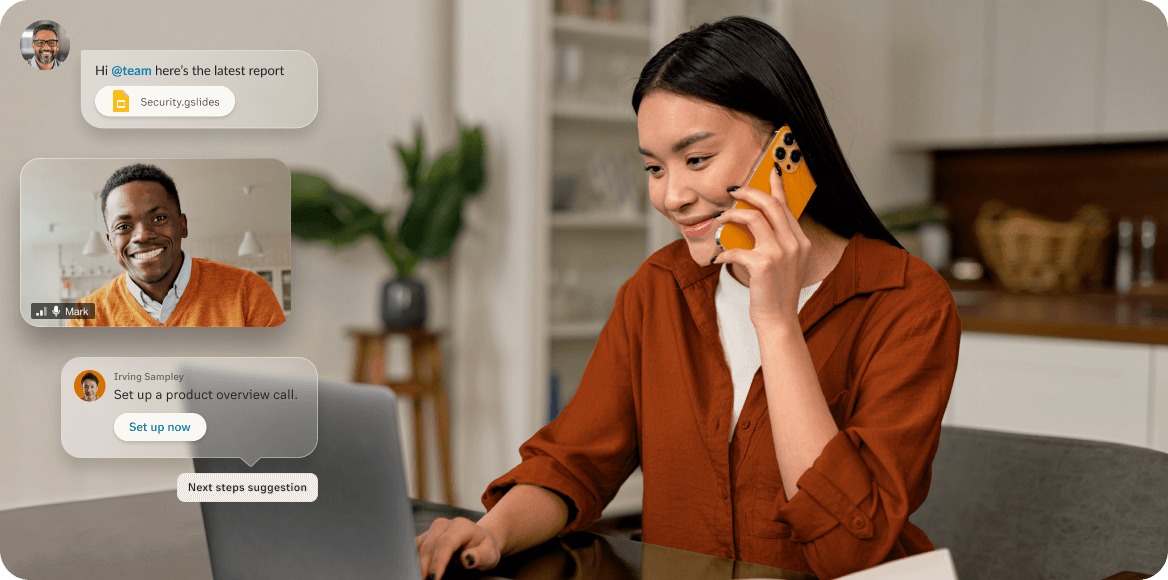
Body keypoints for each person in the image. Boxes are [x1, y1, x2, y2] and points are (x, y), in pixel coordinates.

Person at [416, 16, 959, 580]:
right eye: (654, 168)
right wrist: (492, 532)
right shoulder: (658, 289)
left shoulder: (907, 301)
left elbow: (849, 551)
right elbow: (574, 463)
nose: (671, 196)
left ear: (786, 148)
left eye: (696, 159)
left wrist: (776, 322)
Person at [69, 164, 286, 327]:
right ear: (111, 242)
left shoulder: (248, 293)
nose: (142, 236)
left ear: (182, 225)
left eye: (159, 218)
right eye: (123, 226)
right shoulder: (85, 319)